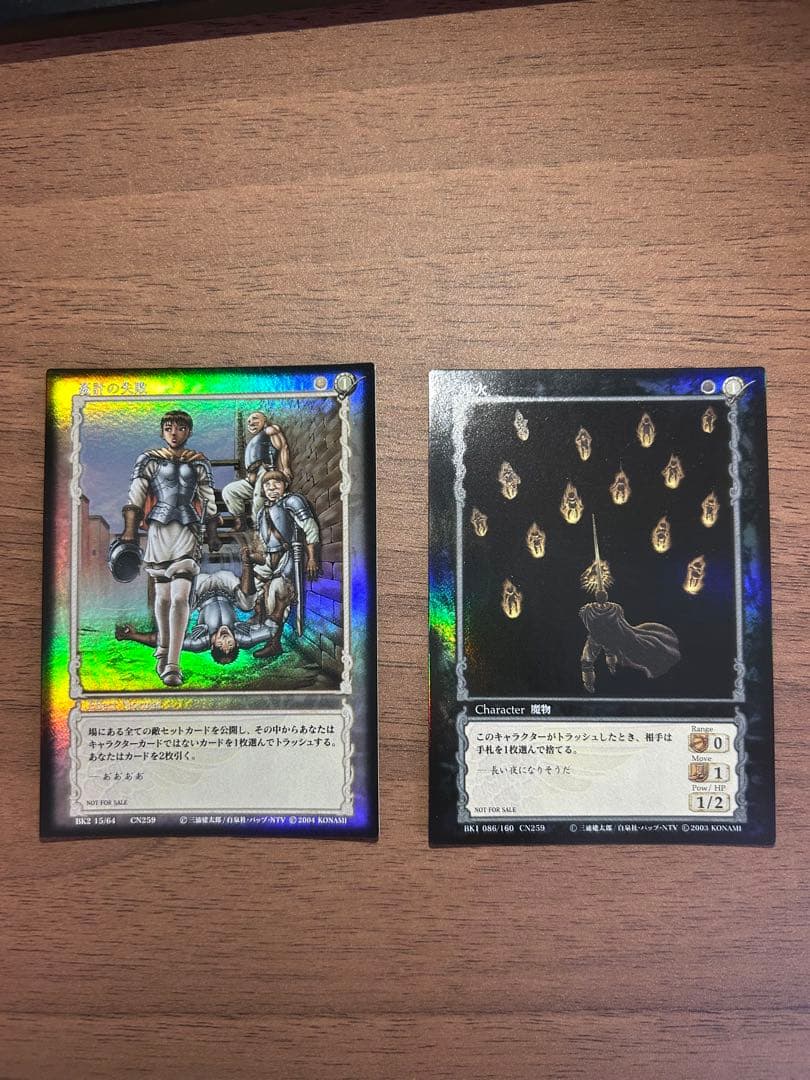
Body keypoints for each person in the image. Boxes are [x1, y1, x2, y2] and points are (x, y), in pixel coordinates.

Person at [119, 409, 220, 687]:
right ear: (163, 431)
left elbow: (208, 499)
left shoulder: (198, 462)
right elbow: (136, 495)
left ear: (188, 432)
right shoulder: (149, 459)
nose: (174, 434)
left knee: (180, 597)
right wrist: (130, 530)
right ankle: (163, 649)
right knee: (163, 597)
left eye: (180, 428)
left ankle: (173, 663)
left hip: (187, 530)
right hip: (159, 531)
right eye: (169, 428)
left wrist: (212, 532)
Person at [116, 547, 284, 665]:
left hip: (201, 589)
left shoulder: (198, 643)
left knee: (181, 609)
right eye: (230, 643)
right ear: (236, 643)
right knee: (247, 604)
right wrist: (281, 605)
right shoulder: (244, 639)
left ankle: (182, 562)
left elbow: (164, 640)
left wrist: (133, 636)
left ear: (212, 645)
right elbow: (271, 630)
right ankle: (247, 562)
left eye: (220, 643)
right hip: (227, 585)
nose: (225, 638)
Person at [251, 470, 320, 658]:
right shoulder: (262, 512)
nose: (272, 488)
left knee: (281, 593)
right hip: (268, 559)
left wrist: (311, 557)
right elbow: (261, 540)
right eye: (267, 485)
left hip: (287, 555)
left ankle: (274, 643)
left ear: (285, 485)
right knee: (261, 596)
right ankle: (266, 635)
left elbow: (310, 527)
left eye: (276, 484)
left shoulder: (292, 501)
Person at [222, 410, 292, 530]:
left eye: (255, 418)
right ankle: (240, 522)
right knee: (229, 491)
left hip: (265, 472)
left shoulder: (270, 430)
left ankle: (258, 528)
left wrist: (285, 468)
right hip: (251, 480)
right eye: (249, 421)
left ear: (264, 420)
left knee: (258, 499)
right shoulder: (254, 441)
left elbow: (283, 447)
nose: (251, 422)